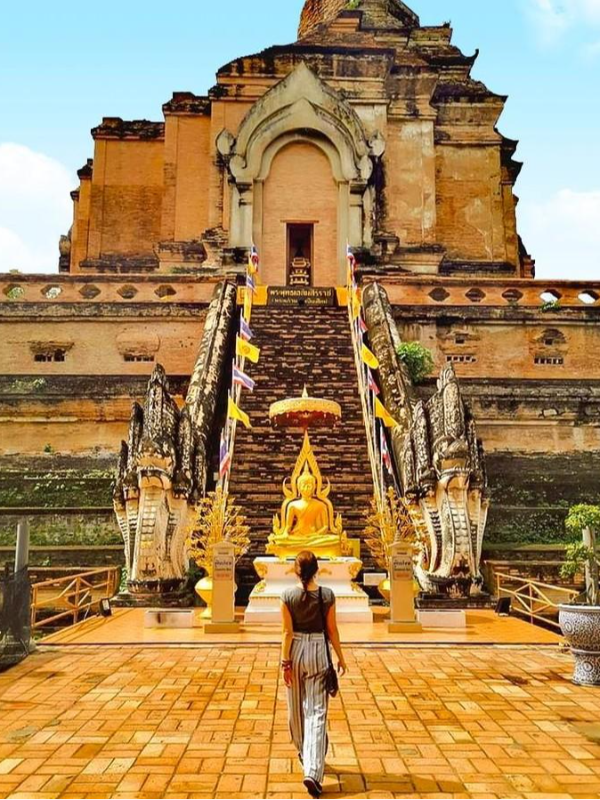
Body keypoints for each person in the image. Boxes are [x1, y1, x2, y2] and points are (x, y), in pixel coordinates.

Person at [280, 550, 348, 797]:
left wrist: (285, 663)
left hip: (295, 650)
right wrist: (340, 656)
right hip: (319, 650)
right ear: (317, 569)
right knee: (317, 712)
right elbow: (332, 630)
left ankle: (305, 752)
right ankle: (312, 769)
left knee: (296, 710)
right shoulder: (327, 595)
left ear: (296, 571)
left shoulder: (287, 596)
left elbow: (286, 633)